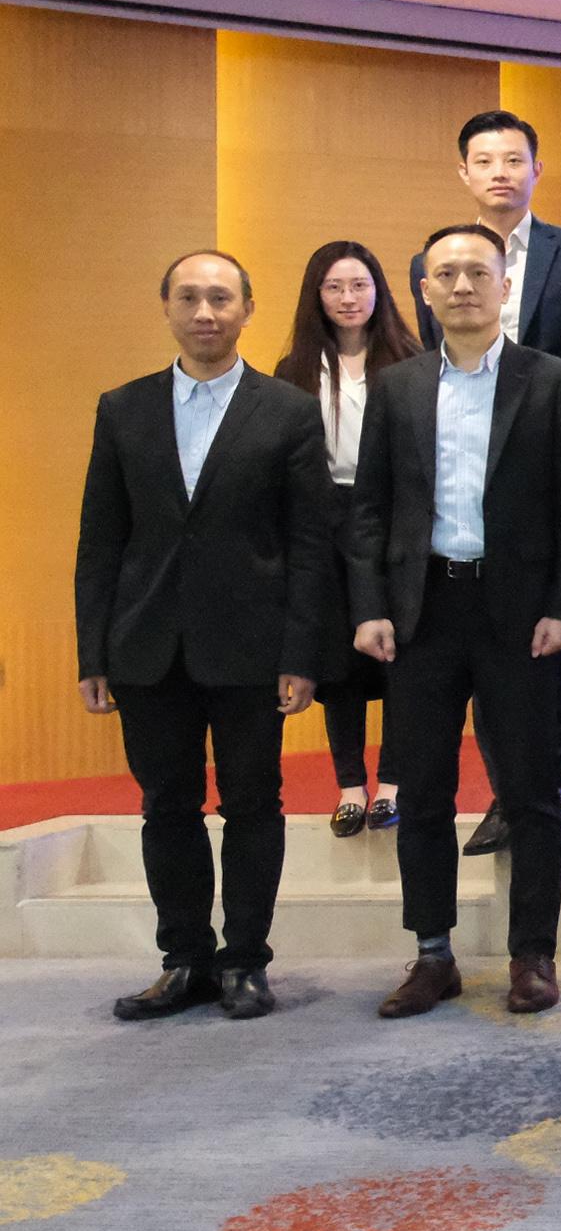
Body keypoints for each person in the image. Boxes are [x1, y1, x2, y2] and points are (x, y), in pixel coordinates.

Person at [350, 224, 561, 1019]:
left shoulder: (554, 379)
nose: (462, 285)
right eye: (445, 273)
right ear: (423, 289)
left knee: (530, 792)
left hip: (521, 616)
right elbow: (369, 510)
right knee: (422, 790)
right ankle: (432, 953)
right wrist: (370, 607)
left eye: (478, 273)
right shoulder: (398, 386)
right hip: (421, 610)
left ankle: (533, 954)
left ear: (503, 287)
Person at [78, 250, 330, 1022]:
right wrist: (93, 651)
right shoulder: (123, 408)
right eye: (188, 297)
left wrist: (302, 652)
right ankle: (183, 957)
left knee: (254, 803)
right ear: (166, 307)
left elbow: (310, 541)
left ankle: (246, 960)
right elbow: (100, 538)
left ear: (248, 308)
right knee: (167, 806)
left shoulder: (286, 409)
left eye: (221, 297)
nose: (205, 311)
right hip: (148, 644)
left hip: (253, 647)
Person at [409, 109, 561, 850]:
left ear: (536, 169)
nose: (500, 171)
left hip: (552, 472)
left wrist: (553, 434)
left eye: (514, 159)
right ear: (463, 173)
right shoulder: (435, 259)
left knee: (552, 640)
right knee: (479, 638)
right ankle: (505, 793)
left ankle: (549, 790)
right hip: (465, 477)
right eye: (484, 159)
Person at [276, 240, 420, 838]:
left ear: (378, 291)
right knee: (337, 665)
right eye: (334, 287)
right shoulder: (294, 369)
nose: (347, 298)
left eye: (359, 285)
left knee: (399, 656)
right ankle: (350, 787)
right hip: (323, 519)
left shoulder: (411, 360)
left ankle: (392, 783)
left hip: (393, 517)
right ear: (317, 296)